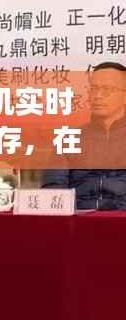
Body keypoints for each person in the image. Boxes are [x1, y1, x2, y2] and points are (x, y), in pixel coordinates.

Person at [42, 62, 126, 210]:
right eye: (94, 89)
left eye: (107, 90)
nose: (98, 96)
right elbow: (53, 190)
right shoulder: (69, 139)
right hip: (78, 218)